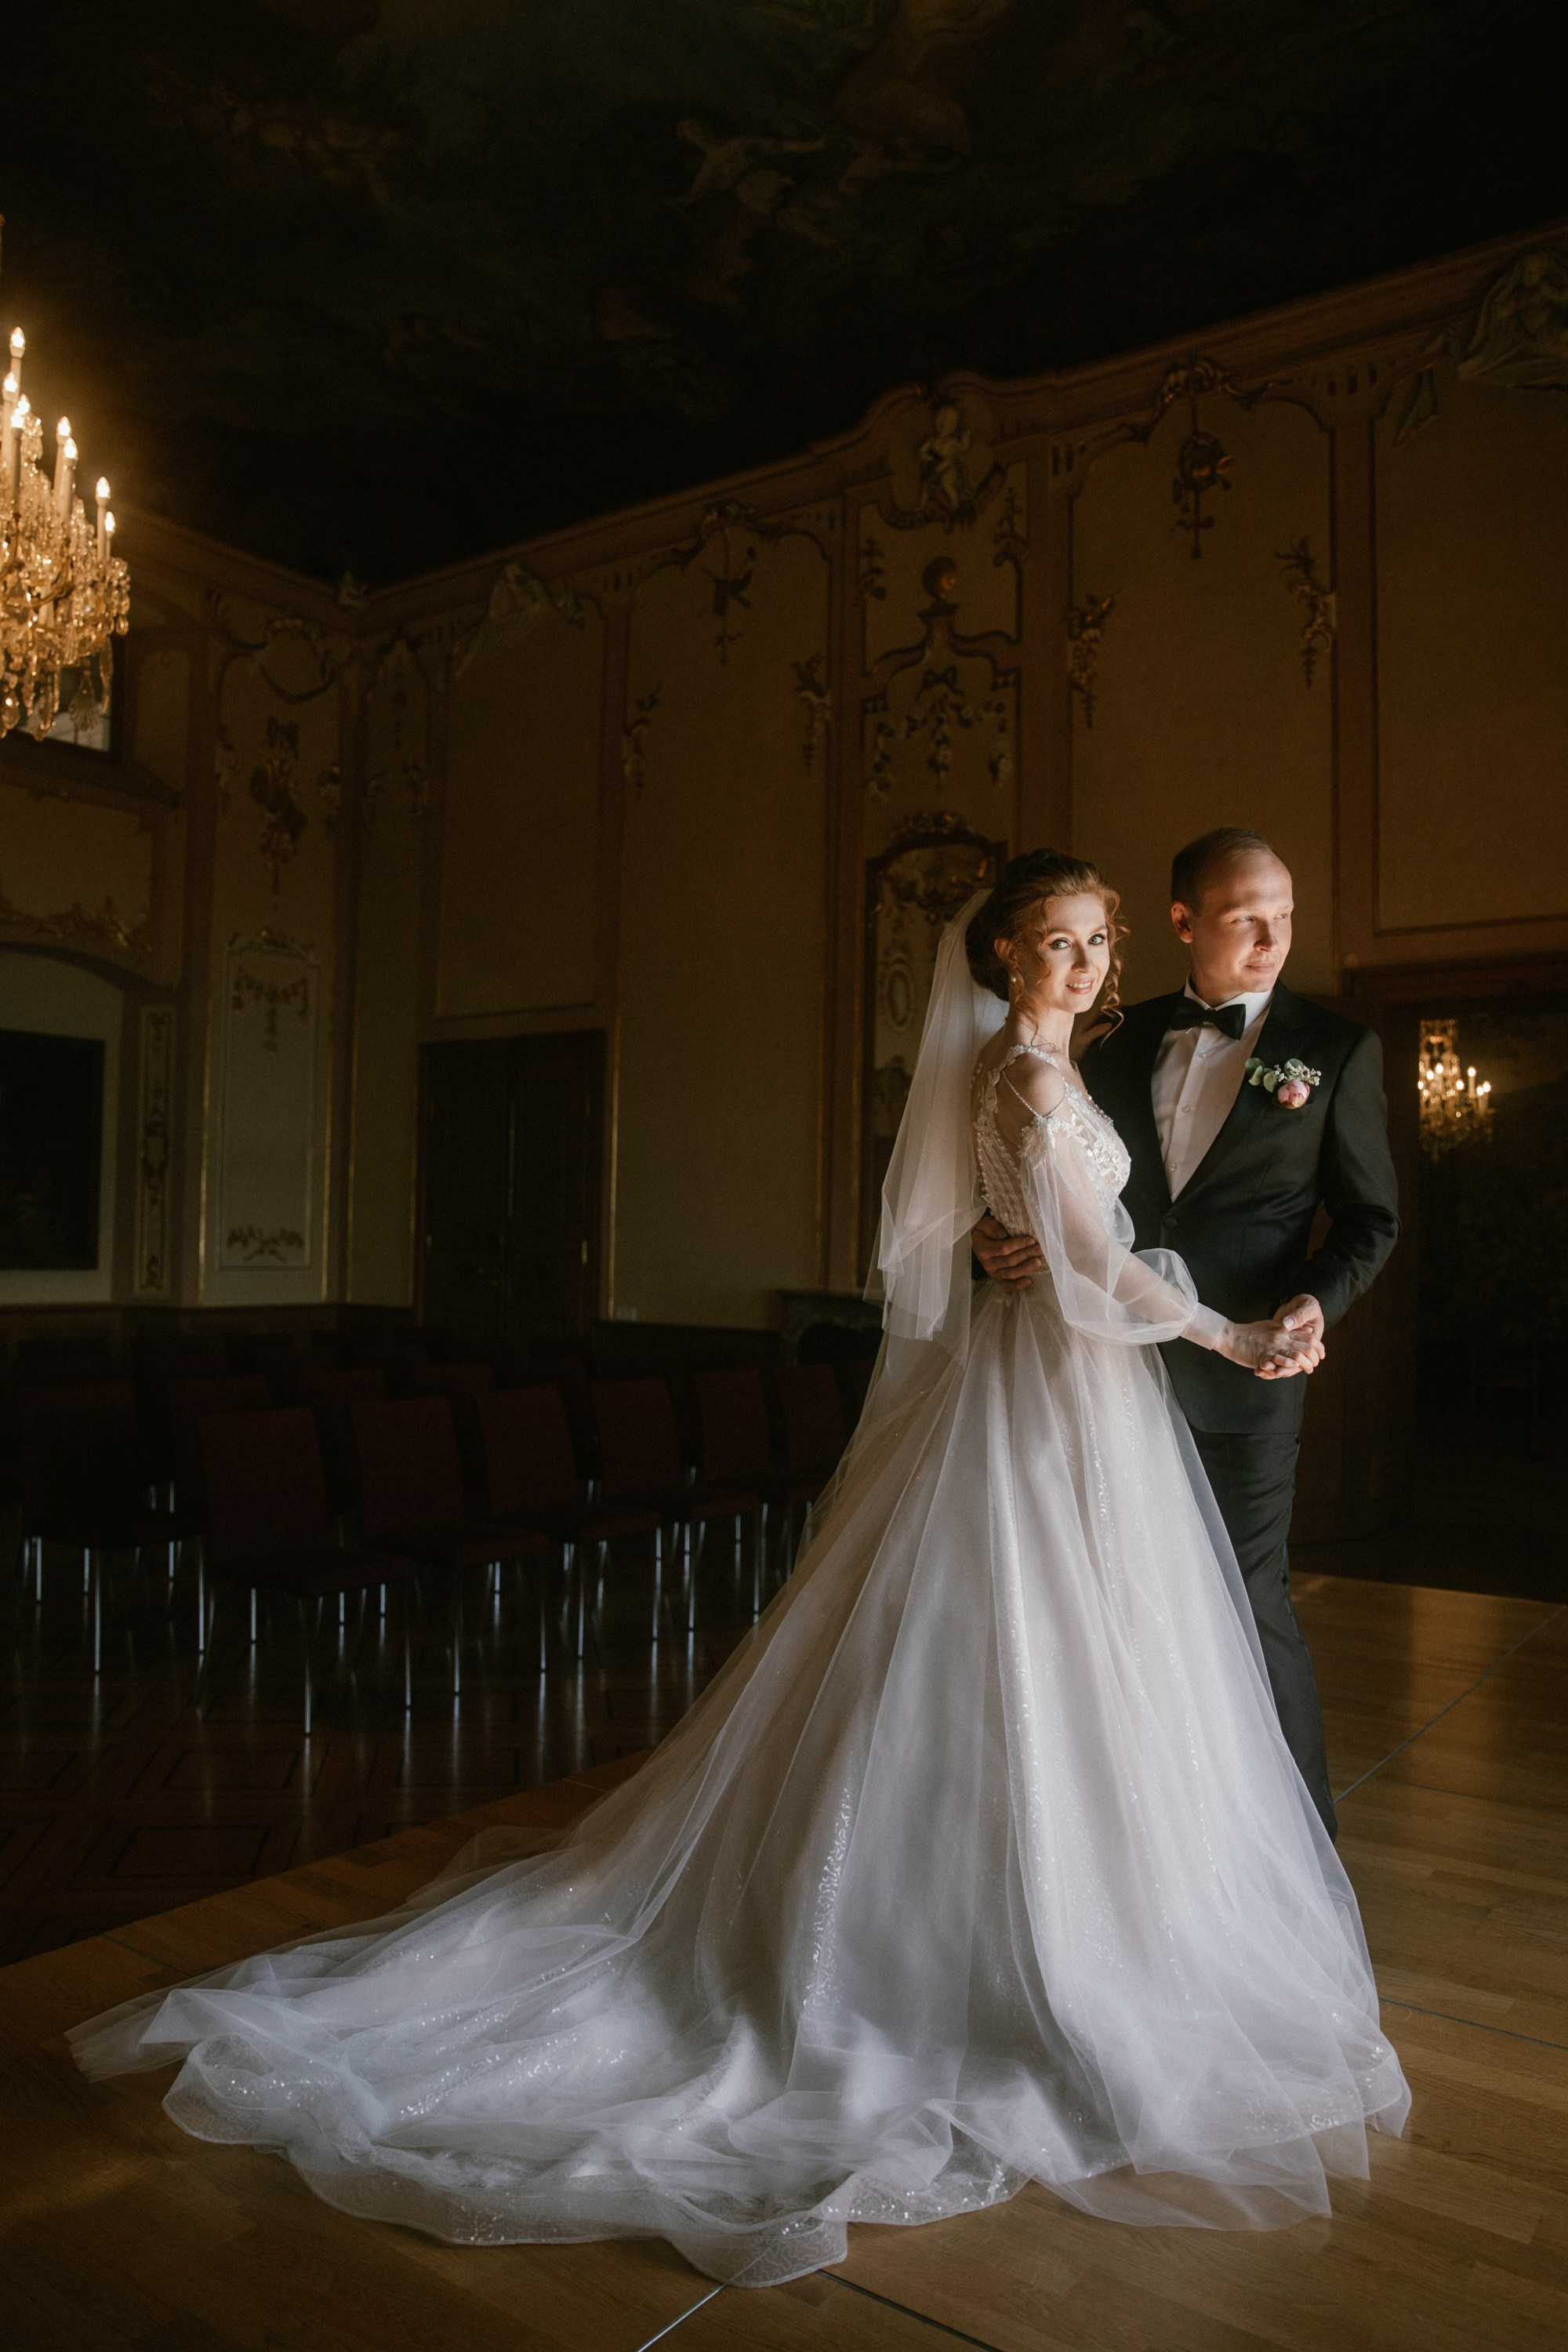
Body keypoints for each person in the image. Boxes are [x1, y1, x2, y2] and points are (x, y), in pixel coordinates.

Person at [71, 852, 1408, 2288]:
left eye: (1098, 944)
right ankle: (974, 1953)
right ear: (1004, 959)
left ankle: (1118, 1917)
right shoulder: (1028, 1082)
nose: (1088, 967)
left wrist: (1096, 1269)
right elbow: (1090, 1269)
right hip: (1063, 1391)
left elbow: (1093, 1242)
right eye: (1061, 945)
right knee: (1015, 1647)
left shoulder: (1071, 1068)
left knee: (1119, 1653)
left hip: (1082, 1397)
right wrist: (1218, 1329)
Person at [973, 829, 1399, 1838]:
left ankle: (1296, 1845)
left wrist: (1311, 1304)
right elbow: (1044, 1187)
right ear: (1181, 924)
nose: (1270, 936)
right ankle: (1148, 1834)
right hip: (1089, 1368)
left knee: (1248, 1601)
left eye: (1283, 914)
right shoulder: (1109, 1032)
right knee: (1102, 1612)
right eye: (1246, 916)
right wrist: (987, 1243)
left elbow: (1371, 1220)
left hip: (1242, 1371)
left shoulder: (1334, 1050)